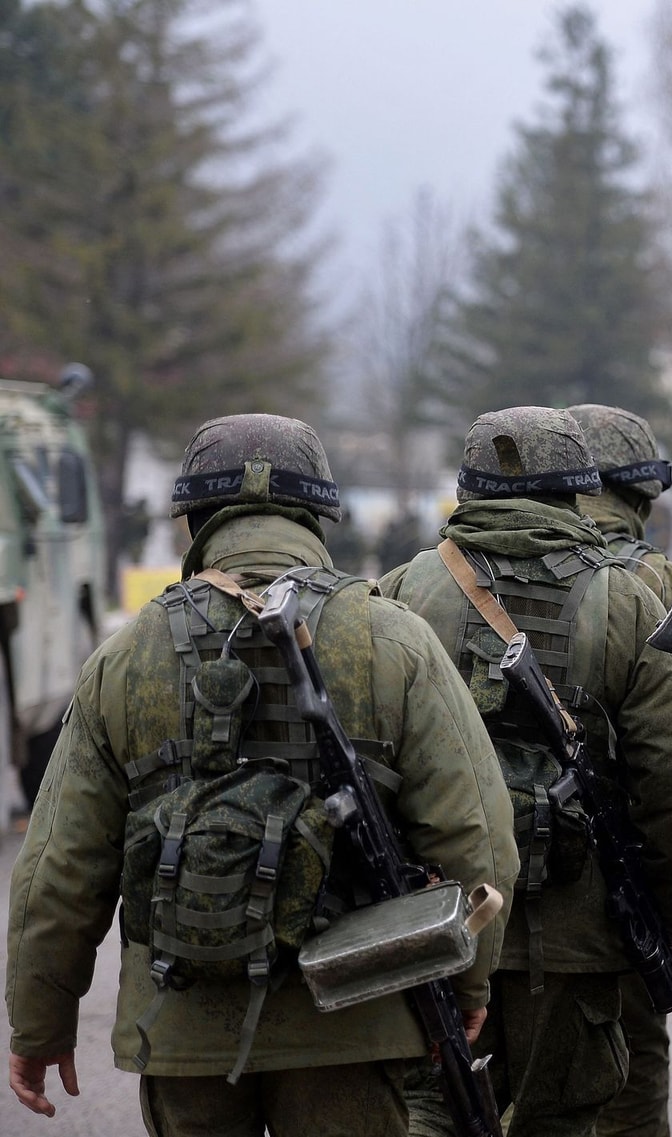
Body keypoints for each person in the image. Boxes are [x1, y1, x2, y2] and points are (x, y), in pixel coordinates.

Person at [5, 414, 517, 1136]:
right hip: (355, 1017)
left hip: (184, 1026)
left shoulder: (127, 655)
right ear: (316, 514)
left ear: (196, 519)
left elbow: (58, 869)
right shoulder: (393, 638)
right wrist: (466, 978)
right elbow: (478, 835)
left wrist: (39, 1022)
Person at [380, 406, 672, 1137]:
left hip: (438, 922)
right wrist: (660, 920)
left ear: (467, 489)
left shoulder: (403, 593)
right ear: (577, 490)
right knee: (561, 1118)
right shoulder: (627, 600)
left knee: (429, 1110)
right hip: (577, 936)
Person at [566, 402, 672, 1137]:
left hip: (491, 900)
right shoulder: (658, 581)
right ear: (642, 494)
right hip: (621, 900)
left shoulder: (465, 571)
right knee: (627, 1088)